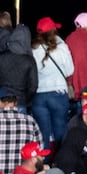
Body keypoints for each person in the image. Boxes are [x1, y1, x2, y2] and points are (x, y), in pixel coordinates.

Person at [29, 18, 75, 149]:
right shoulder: (61, 48)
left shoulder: (33, 50)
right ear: (54, 31)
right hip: (58, 94)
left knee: (43, 136)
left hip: (39, 95)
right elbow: (69, 70)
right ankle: (60, 164)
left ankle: (44, 164)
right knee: (60, 132)